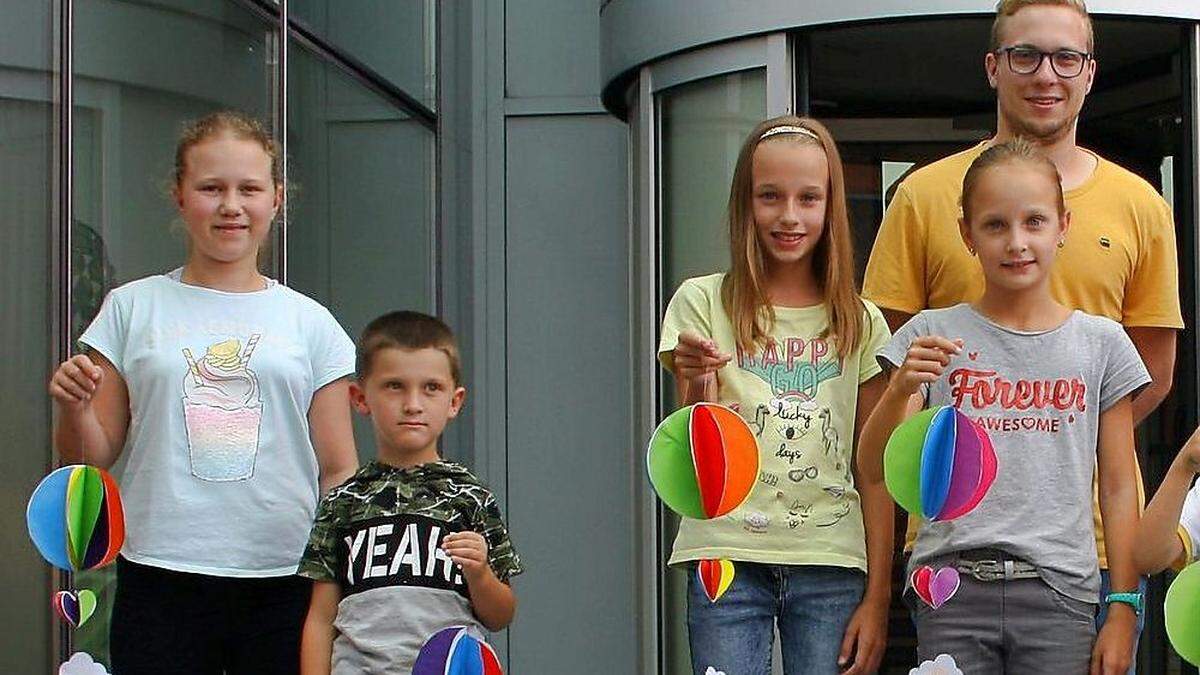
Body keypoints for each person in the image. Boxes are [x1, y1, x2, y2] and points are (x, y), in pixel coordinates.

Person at [862, 2, 1180, 659]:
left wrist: (1047, 425)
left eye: (1067, 58)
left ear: (1090, 72)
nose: (1046, 74)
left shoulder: (1142, 207)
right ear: (993, 66)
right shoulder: (924, 198)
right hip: (951, 567)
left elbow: (1144, 385)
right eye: (1025, 55)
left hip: (1081, 560)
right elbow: (881, 403)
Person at [48, 110, 359, 674]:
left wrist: (336, 574)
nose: (231, 205)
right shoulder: (131, 306)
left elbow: (338, 470)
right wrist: (73, 407)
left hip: (284, 575)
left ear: (276, 199)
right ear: (179, 195)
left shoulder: (311, 323)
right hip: (157, 569)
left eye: (249, 189)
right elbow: (90, 454)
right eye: (211, 188)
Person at [859, 138, 1146, 674]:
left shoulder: (1102, 343)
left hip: (1063, 594)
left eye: (1034, 222)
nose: (1017, 242)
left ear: (1064, 225)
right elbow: (875, 469)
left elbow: (1119, 484)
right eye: (995, 225)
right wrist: (899, 390)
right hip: (950, 588)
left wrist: (1124, 608)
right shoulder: (930, 334)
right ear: (967, 233)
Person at [658, 116, 892, 675]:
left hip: (833, 560)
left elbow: (876, 469)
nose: (789, 216)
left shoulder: (862, 322)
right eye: (770, 196)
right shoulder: (701, 300)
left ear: (830, 207)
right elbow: (689, 457)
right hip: (727, 556)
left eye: (808, 198)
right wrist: (696, 383)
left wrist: (879, 599)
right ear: (745, 203)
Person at [298, 311, 522, 674]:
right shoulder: (343, 501)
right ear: (359, 398)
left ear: (455, 401)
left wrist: (480, 573)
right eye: (394, 386)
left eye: (431, 387)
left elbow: (500, 615)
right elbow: (321, 619)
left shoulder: (470, 496)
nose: (413, 404)